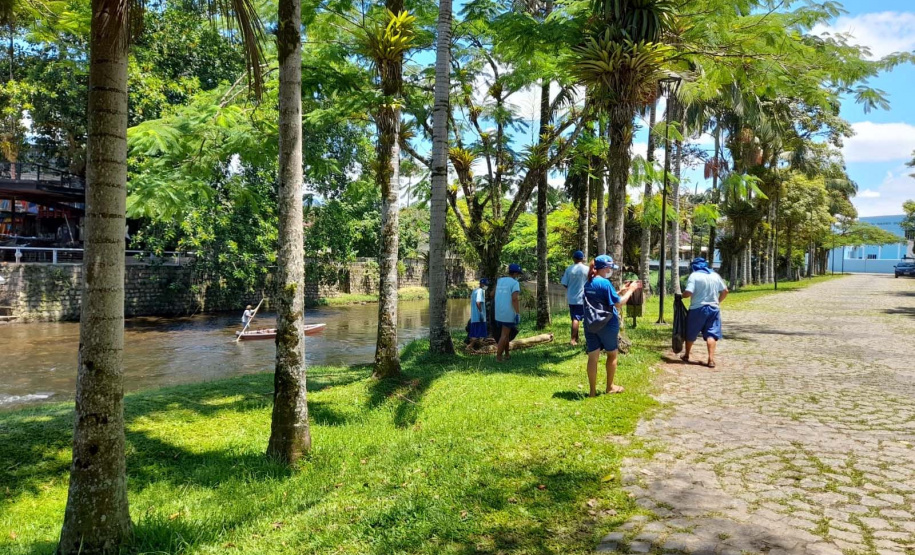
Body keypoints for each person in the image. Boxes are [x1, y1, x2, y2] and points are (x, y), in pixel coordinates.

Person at [583, 255, 641, 397]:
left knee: (592, 357)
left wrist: (620, 291)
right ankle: (609, 387)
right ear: (606, 268)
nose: (611, 270)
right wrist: (631, 290)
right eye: (610, 268)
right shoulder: (605, 283)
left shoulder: (589, 283)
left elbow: (601, 299)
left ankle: (592, 392)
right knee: (612, 354)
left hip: (590, 324)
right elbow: (618, 303)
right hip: (607, 324)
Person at [681, 257, 728, 368]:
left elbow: (688, 292)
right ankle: (711, 360)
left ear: (694, 266)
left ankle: (687, 355)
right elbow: (725, 291)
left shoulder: (694, 276)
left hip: (697, 309)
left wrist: (682, 296)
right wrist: (718, 301)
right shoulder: (715, 275)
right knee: (711, 334)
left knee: (691, 332)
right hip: (713, 309)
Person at [494, 263, 522, 361]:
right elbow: (514, 299)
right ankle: (498, 357)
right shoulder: (515, 283)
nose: (519, 276)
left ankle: (507, 354)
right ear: (515, 273)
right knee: (504, 335)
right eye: (518, 274)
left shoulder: (500, 280)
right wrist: (517, 313)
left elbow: (492, 294)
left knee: (506, 333)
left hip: (498, 312)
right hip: (508, 312)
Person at [561, 250, 589, 346]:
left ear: (574, 258)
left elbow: (564, 284)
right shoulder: (587, 269)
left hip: (572, 298)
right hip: (583, 298)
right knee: (580, 318)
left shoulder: (569, 269)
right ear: (582, 259)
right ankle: (575, 339)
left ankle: (574, 339)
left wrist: (572, 287)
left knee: (574, 318)